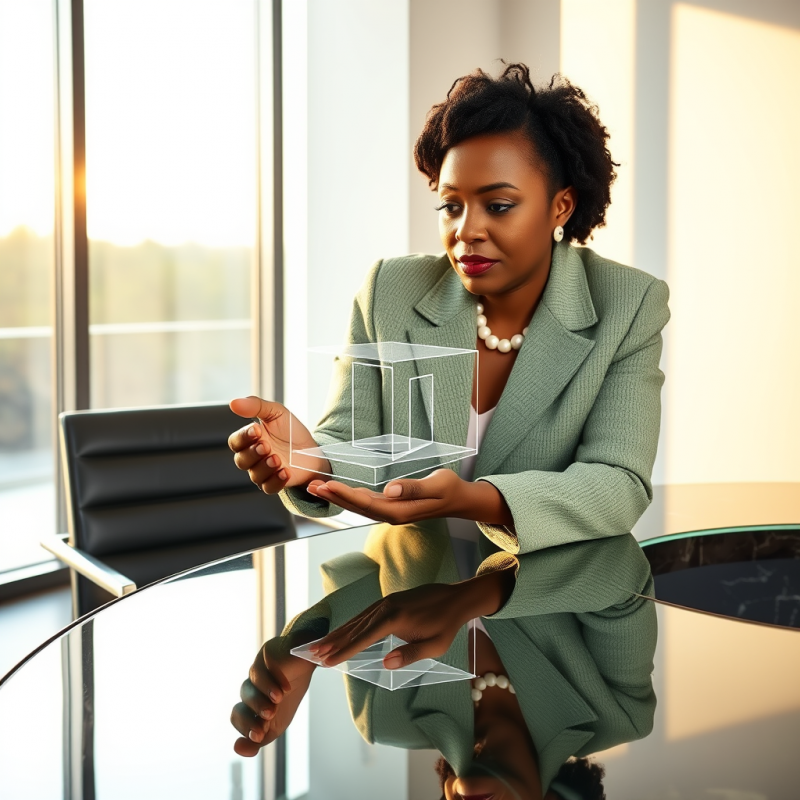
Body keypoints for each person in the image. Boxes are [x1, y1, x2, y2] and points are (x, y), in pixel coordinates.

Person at [228, 62, 670, 555]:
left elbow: (618, 482)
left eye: (498, 205)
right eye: (451, 205)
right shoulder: (390, 289)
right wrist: (315, 459)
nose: (466, 230)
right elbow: (353, 435)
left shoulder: (628, 304)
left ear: (560, 207)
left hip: (551, 601)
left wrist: (478, 500)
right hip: (411, 590)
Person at [230, 520, 658, 798]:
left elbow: (355, 577)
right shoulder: (617, 712)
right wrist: (470, 598)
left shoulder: (388, 718)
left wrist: (303, 647)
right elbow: (621, 568)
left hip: (415, 457)